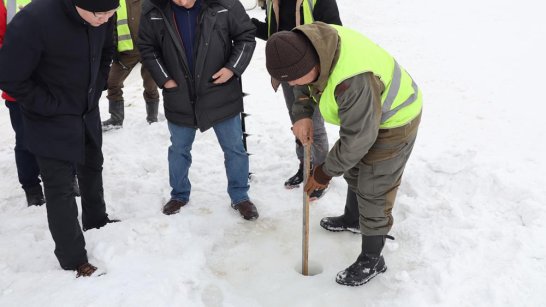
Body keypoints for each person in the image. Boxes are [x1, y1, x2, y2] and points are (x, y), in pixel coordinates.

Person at [265, 22, 422, 286]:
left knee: (374, 187)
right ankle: (353, 218)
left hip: (395, 119)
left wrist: (324, 172)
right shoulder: (308, 45)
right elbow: (302, 84)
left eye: (292, 80)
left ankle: (373, 259)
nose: (291, 85)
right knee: (355, 169)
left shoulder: (353, 80)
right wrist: (302, 114)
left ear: (310, 67)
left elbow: (358, 140)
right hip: (366, 117)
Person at [0, 0, 121, 277]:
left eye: (110, 13)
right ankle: (73, 258)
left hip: (86, 111)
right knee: (60, 187)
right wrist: (50, 105)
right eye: (99, 14)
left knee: (92, 166)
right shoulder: (34, 20)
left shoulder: (104, 16)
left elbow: (106, 51)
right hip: (49, 118)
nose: (105, 19)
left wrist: (98, 87)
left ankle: (96, 219)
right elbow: (9, 76)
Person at [138, 0, 258, 220]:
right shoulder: (153, 9)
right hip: (179, 94)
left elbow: (246, 37)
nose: (182, 2)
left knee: (234, 149)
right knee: (179, 149)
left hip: (219, 90)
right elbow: (147, 48)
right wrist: (165, 80)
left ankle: (240, 196)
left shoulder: (224, 4)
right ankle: (179, 194)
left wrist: (232, 69)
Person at [252, 0, 341, 200]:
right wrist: (245, 23)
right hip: (287, 69)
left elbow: (335, 32)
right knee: (297, 121)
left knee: (314, 126)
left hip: (312, 70)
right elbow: (272, 32)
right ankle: (305, 166)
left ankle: (319, 175)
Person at [1, 0, 81, 206]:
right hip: (22, 92)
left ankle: (69, 177)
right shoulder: (6, 4)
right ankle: (31, 187)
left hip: (59, 87)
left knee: (65, 134)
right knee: (26, 141)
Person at [102, 0, 160, 130]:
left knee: (151, 86)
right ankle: (116, 119)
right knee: (112, 82)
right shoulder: (116, 2)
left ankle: (152, 119)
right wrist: (114, 47)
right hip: (126, 52)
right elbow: (110, 25)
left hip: (148, 49)